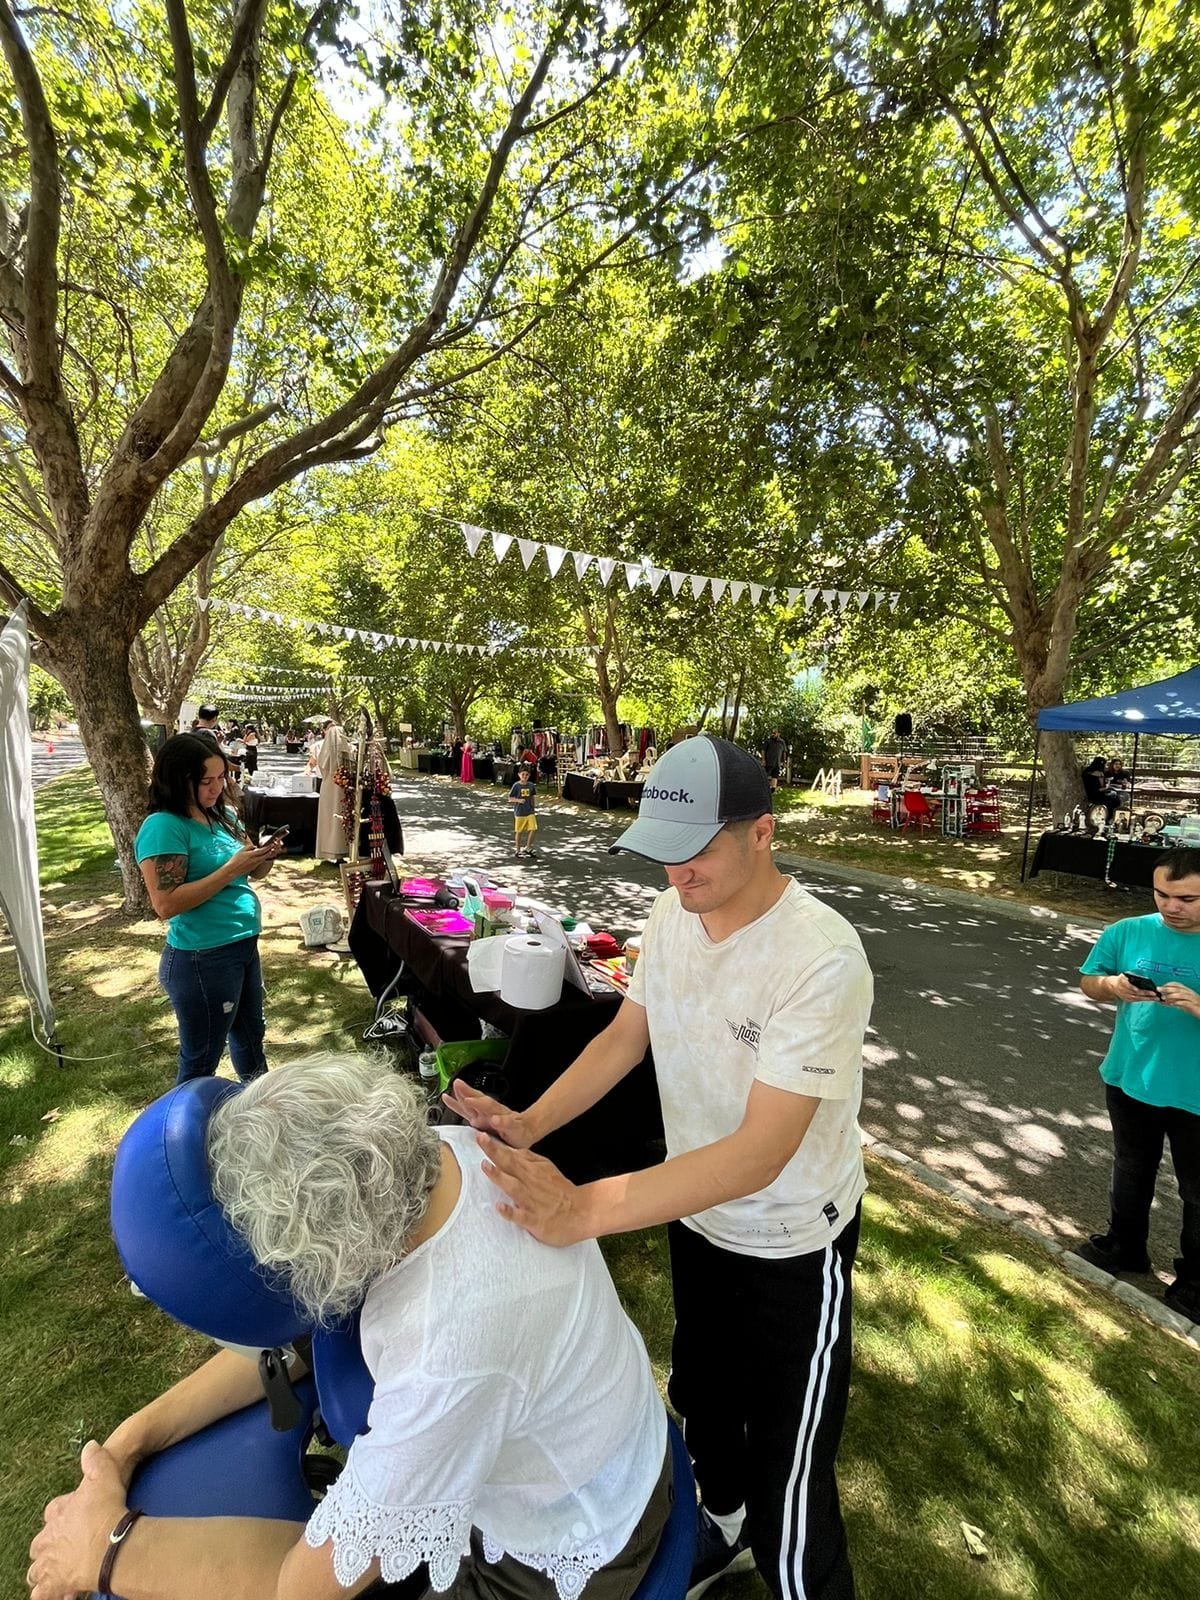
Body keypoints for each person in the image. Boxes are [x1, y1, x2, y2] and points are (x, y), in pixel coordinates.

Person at [446, 734, 874, 1600]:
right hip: (697, 1213)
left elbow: (760, 1155)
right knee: (705, 1393)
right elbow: (623, 1036)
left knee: (791, 1469)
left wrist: (585, 1209)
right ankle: (719, 1524)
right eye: (663, 854)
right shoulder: (671, 914)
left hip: (794, 1238)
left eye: (699, 850)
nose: (678, 875)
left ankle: (797, 1573)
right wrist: (528, 1123)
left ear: (763, 832)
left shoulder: (821, 958)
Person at [27, 1056, 671, 1600]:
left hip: (571, 1542)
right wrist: (126, 1444)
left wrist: (105, 1547)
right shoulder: (441, 1156)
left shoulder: (448, 1355)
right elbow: (297, 1342)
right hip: (589, 1433)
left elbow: (300, 1585)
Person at [1075, 848, 1200, 1321]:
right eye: (1162, 893)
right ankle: (1124, 1248)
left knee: (1197, 1192)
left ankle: (1193, 1285)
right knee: (1131, 1168)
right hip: (1131, 1076)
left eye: (1187, 899)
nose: (1171, 907)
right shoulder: (1127, 930)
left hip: (1196, 1093)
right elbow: (1090, 980)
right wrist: (1114, 988)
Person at [134, 734, 285, 1084]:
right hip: (203, 957)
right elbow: (166, 903)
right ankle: (186, 1130)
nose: (217, 787)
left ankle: (262, 1110)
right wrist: (231, 868)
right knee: (202, 1058)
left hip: (242, 946)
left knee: (251, 1038)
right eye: (206, 781)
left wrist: (265, 857)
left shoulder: (222, 816)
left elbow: (252, 872)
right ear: (178, 779)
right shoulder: (164, 826)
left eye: (221, 778)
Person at [310, 719, 352, 860]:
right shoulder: (348, 750)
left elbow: (321, 766)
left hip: (329, 786)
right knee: (341, 818)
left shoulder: (325, 751)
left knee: (330, 819)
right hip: (343, 787)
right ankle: (342, 850)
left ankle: (329, 850)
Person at [508, 763, 538, 858]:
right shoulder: (516, 786)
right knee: (519, 831)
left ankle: (528, 847)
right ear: (519, 775)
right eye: (523, 774)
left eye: (526, 775)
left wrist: (533, 807)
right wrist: (518, 800)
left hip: (529, 811)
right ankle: (517, 849)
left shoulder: (531, 785)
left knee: (533, 828)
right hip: (520, 812)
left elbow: (532, 796)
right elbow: (510, 798)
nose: (525, 776)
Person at [1081, 756, 1120, 820]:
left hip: (1101, 794)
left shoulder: (1101, 772)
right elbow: (1095, 789)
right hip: (1093, 796)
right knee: (1111, 802)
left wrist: (1103, 780)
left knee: (1116, 798)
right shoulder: (1088, 774)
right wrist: (1106, 787)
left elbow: (1102, 786)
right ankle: (1106, 818)